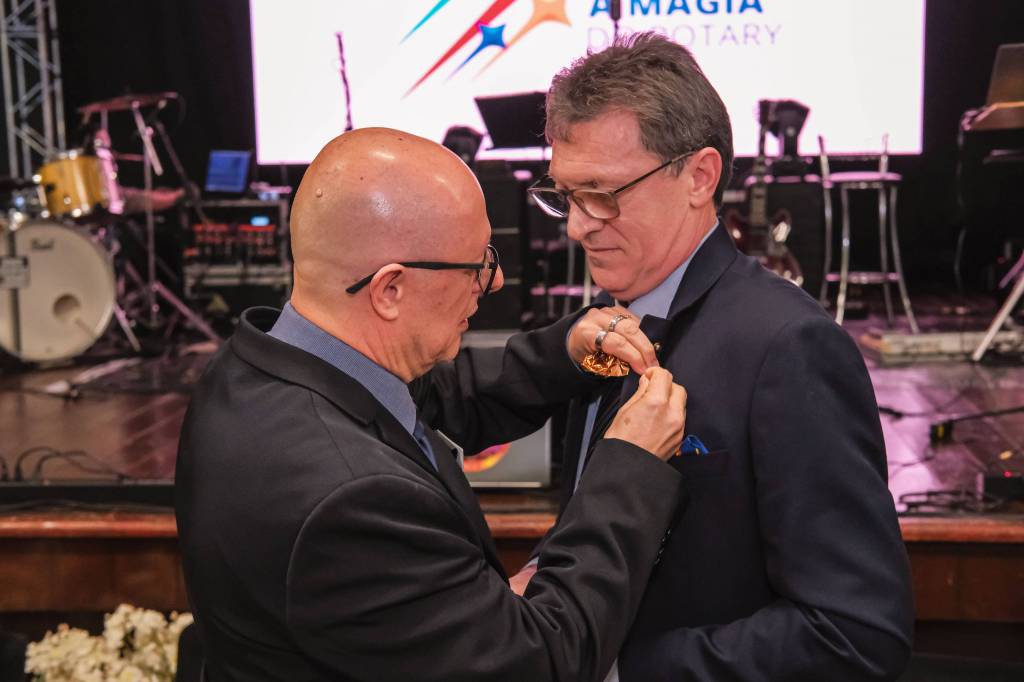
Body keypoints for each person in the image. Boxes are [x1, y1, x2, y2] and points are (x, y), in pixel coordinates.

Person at [175, 127, 690, 681]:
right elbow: (540, 664)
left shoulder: (256, 367)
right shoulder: (353, 501)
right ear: (389, 290)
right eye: (477, 264)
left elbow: (438, 395)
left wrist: (565, 350)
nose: (494, 282)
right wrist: (630, 465)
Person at [521, 32, 914, 681]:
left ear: (699, 176)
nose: (576, 225)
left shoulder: (788, 345)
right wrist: (547, 573)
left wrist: (618, 669)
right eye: (565, 194)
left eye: (603, 193)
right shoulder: (607, 322)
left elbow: (856, 632)